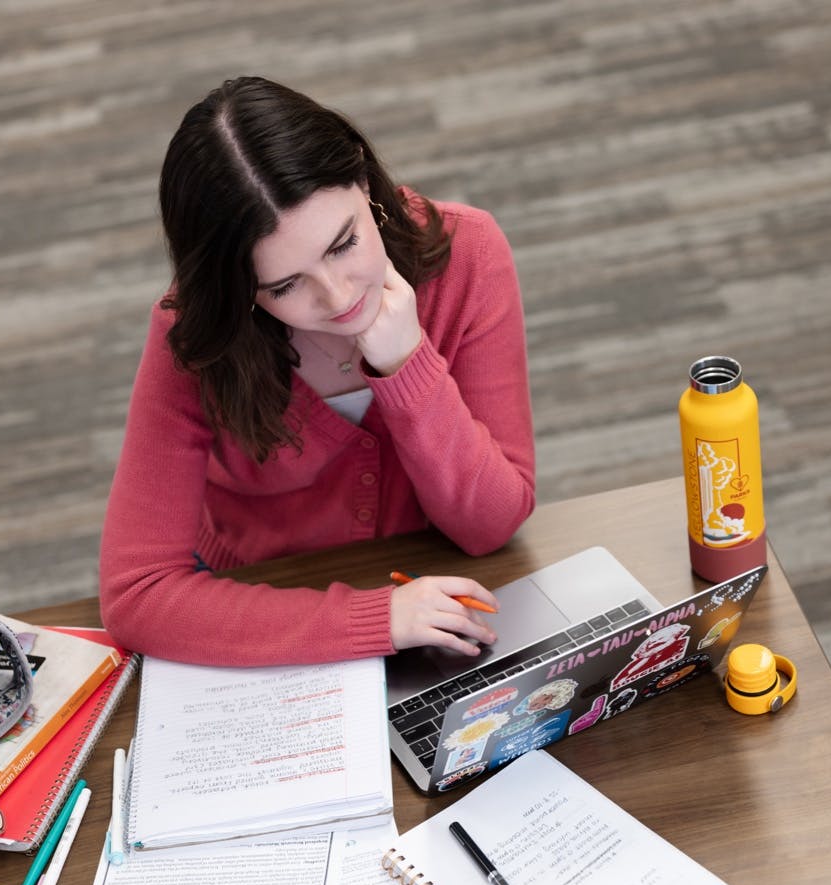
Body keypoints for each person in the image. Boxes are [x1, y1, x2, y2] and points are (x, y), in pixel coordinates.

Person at [100, 76, 535, 667]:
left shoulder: (469, 254)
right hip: (257, 608)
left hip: (437, 595)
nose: (336, 297)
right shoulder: (198, 331)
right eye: (282, 285)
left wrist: (408, 366)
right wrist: (374, 618)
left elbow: (492, 525)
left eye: (344, 243)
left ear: (363, 182)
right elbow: (137, 592)